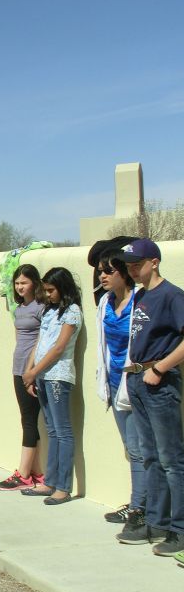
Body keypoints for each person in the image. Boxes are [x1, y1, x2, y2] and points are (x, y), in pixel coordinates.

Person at [109, 239, 184, 558]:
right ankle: (156, 522)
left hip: (159, 380)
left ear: (154, 262)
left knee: (171, 459)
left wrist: (161, 369)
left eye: (136, 264)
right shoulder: (140, 294)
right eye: (128, 265)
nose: (131, 269)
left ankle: (178, 530)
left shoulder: (172, 296)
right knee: (150, 456)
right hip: (138, 379)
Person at [92, 250, 146, 529]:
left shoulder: (141, 300)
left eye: (108, 271)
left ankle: (140, 507)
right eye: (100, 271)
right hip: (114, 384)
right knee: (131, 447)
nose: (102, 276)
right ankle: (140, 503)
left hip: (136, 383)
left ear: (124, 273)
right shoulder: (104, 302)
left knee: (140, 449)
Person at [20, 267, 83, 505]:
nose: (47, 294)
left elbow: (58, 348)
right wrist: (31, 372)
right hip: (42, 377)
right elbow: (40, 343)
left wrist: (35, 371)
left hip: (58, 376)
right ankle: (50, 481)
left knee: (63, 431)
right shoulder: (49, 311)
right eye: (45, 290)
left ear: (63, 288)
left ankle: (63, 487)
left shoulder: (72, 312)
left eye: (51, 290)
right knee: (52, 430)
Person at [0, 264, 46, 491]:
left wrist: (32, 370)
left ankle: (23, 474)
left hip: (32, 371)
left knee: (29, 420)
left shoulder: (41, 307)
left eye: (24, 282)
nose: (19, 286)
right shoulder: (20, 308)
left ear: (34, 283)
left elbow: (43, 339)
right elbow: (19, 338)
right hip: (17, 369)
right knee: (27, 418)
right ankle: (36, 473)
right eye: (17, 283)